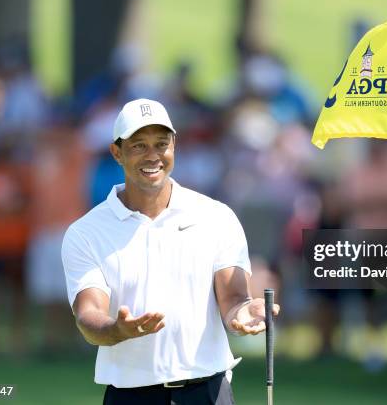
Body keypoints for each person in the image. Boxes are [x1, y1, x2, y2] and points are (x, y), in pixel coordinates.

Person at [61, 98, 279, 404]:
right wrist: (118, 329)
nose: (153, 156)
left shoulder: (216, 217)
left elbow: (232, 298)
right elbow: (88, 315)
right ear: (117, 152)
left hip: (208, 392)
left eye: (161, 144)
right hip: (130, 396)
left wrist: (245, 312)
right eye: (139, 146)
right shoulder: (86, 232)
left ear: (174, 146)